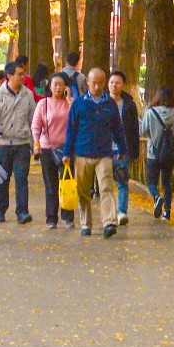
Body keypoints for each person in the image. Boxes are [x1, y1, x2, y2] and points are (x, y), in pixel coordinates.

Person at [64, 67, 126, 238]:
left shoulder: (110, 104)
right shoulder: (79, 103)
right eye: (94, 83)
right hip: (82, 153)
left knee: (106, 188)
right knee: (83, 191)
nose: (97, 87)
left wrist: (122, 148)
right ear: (88, 83)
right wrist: (67, 153)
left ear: (104, 83)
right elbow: (71, 129)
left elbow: (118, 128)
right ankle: (86, 224)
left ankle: (109, 222)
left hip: (104, 153)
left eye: (100, 83)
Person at [0, 63, 36, 224]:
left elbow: (32, 119)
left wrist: (34, 143)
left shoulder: (28, 95)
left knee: (22, 179)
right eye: (20, 74)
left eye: (23, 74)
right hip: (3, 144)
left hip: (22, 143)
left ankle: (22, 212)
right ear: (9, 76)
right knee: (2, 178)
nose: (23, 77)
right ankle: (0, 210)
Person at [32, 72, 73, 228]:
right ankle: (51, 218)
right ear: (49, 86)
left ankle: (68, 217)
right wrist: (36, 143)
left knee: (67, 183)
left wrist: (69, 99)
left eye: (61, 84)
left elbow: (75, 122)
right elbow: (36, 125)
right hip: (47, 148)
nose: (58, 87)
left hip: (66, 149)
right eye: (55, 84)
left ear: (66, 87)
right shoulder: (44, 104)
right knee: (51, 185)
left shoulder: (70, 103)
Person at [107, 68, 142, 228]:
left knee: (122, 181)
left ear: (123, 85)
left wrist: (135, 151)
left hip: (122, 149)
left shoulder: (129, 105)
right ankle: (108, 214)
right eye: (112, 82)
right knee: (105, 184)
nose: (114, 85)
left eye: (118, 83)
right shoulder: (101, 102)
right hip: (104, 149)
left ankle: (122, 212)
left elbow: (134, 129)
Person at [142, 86, 174, 220]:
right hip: (168, 152)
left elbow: (142, 130)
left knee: (151, 182)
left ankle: (157, 197)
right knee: (167, 183)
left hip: (153, 152)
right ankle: (167, 213)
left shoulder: (150, 112)